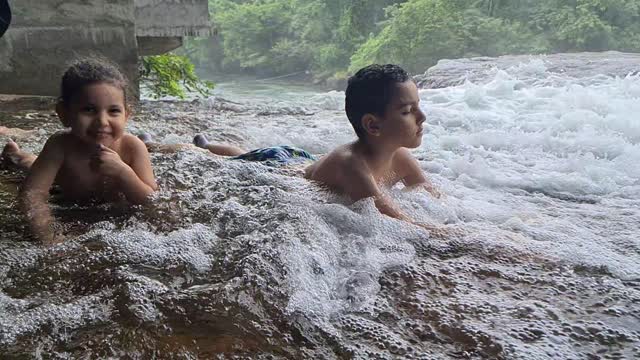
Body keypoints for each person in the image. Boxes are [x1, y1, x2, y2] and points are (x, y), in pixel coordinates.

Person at [1, 58, 157, 244]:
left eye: (113, 111)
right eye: (89, 110)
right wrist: (48, 234)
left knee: (35, 165)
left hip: (111, 203)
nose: (102, 122)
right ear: (64, 114)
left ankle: (21, 156)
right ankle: (16, 156)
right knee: (31, 167)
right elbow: (32, 194)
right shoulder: (60, 145)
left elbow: (152, 201)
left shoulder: (132, 147)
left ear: (127, 115)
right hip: (63, 190)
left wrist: (124, 173)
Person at [305, 64, 445, 233]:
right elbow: (397, 222)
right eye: (408, 111)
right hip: (286, 164)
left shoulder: (400, 156)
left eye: (418, 106)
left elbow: (429, 192)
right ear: (373, 125)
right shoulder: (352, 166)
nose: (422, 117)